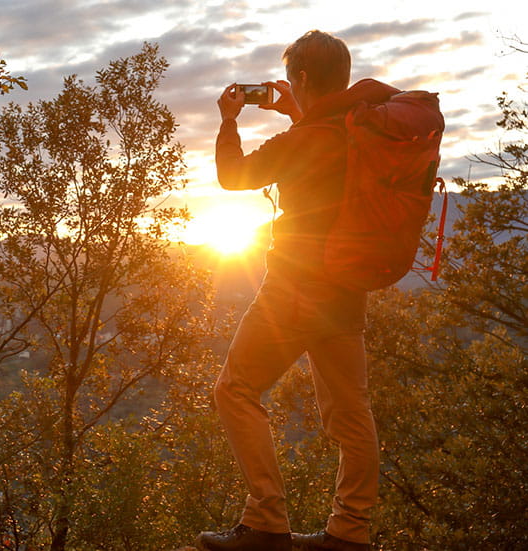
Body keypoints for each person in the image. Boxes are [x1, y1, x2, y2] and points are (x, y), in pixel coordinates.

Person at [194, 30, 404, 551]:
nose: (288, 87)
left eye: (292, 79)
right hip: (345, 292)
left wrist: (227, 121)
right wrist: (297, 113)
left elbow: (234, 176)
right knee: (350, 415)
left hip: (293, 288)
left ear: (303, 78)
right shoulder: (354, 130)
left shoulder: (306, 139)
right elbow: (325, 155)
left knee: (235, 390)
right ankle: (349, 533)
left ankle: (266, 520)